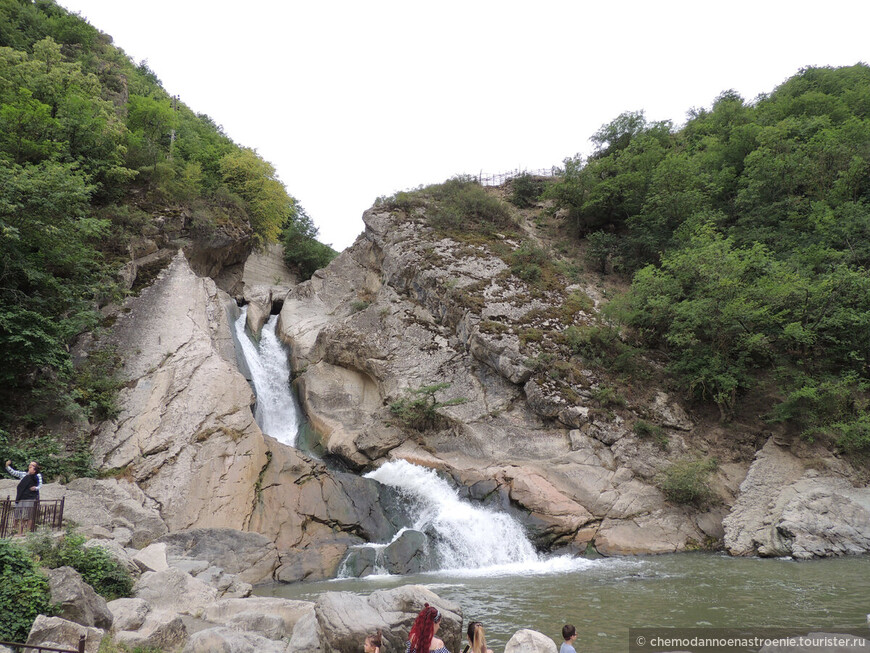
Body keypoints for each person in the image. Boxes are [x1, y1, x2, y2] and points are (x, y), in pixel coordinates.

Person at [5, 460, 42, 535]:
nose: (30, 466)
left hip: (30, 497)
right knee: (17, 515)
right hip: (21, 496)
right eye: (30, 464)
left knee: (28, 515)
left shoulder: (37, 475)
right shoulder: (24, 474)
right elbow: (14, 472)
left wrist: (35, 488)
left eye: (33, 465)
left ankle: (27, 532)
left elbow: (40, 484)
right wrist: (7, 466)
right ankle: (14, 531)